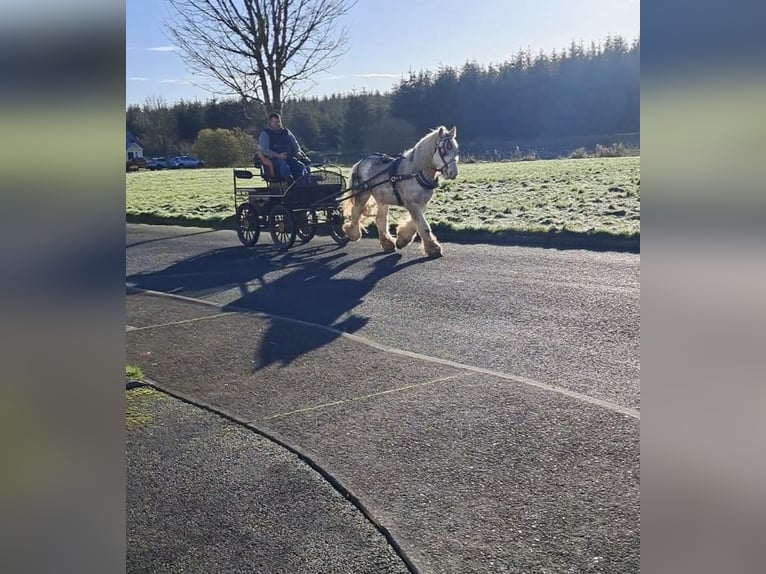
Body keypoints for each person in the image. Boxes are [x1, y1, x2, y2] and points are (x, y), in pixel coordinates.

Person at [257, 112, 311, 184]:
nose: (278, 124)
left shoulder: (286, 132)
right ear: (270, 123)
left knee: (300, 166)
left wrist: (297, 152)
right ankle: (290, 184)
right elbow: (265, 150)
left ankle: (305, 186)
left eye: (279, 122)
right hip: (274, 159)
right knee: (283, 166)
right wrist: (278, 155)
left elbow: (295, 145)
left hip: (289, 157)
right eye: (276, 122)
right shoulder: (265, 134)